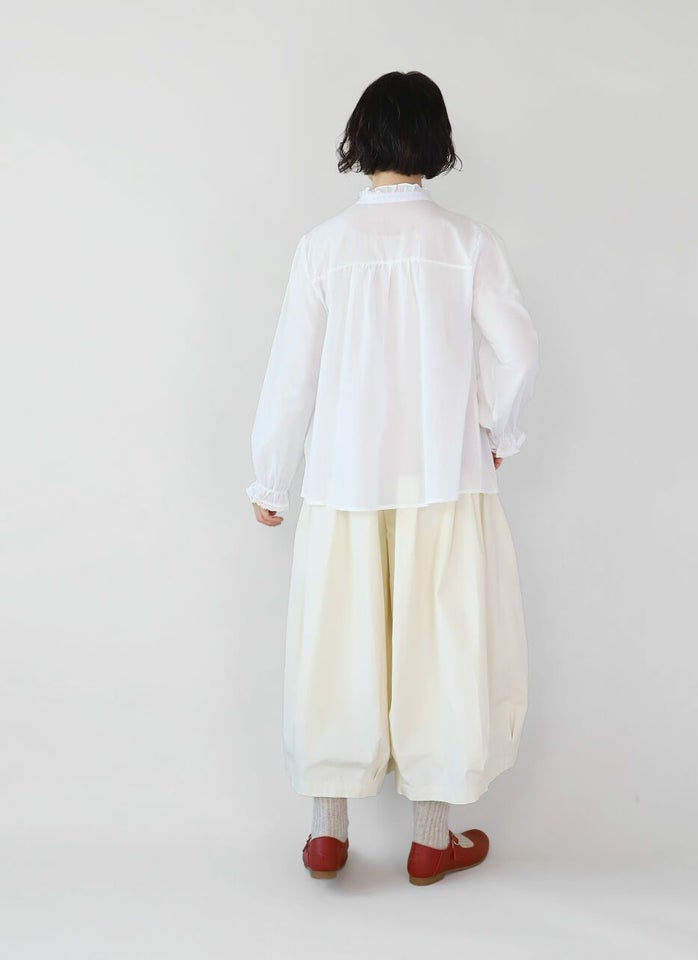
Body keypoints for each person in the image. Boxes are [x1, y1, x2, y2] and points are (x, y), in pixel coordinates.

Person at [246, 70, 539, 885]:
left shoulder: (324, 246)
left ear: (361, 137)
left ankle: (327, 833)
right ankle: (430, 838)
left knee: (335, 644)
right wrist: (494, 428)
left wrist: (272, 479)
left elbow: (291, 375)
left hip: (343, 483)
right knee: (441, 645)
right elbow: (518, 351)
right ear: (436, 142)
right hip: (443, 478)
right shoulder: (468, 242)